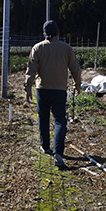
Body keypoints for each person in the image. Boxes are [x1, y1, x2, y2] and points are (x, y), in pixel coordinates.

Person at [24, 20, 82, 168]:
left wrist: (28, 88)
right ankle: (58, 153)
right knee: (60, 121)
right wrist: (77, 85)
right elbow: (75, 69)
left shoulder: (37, 48)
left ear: (44, 33)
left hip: (42, 89)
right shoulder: (66, 48)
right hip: (59, 90)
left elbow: (31, 70)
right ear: (57, 33)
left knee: (43, 118)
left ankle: (45, 146)